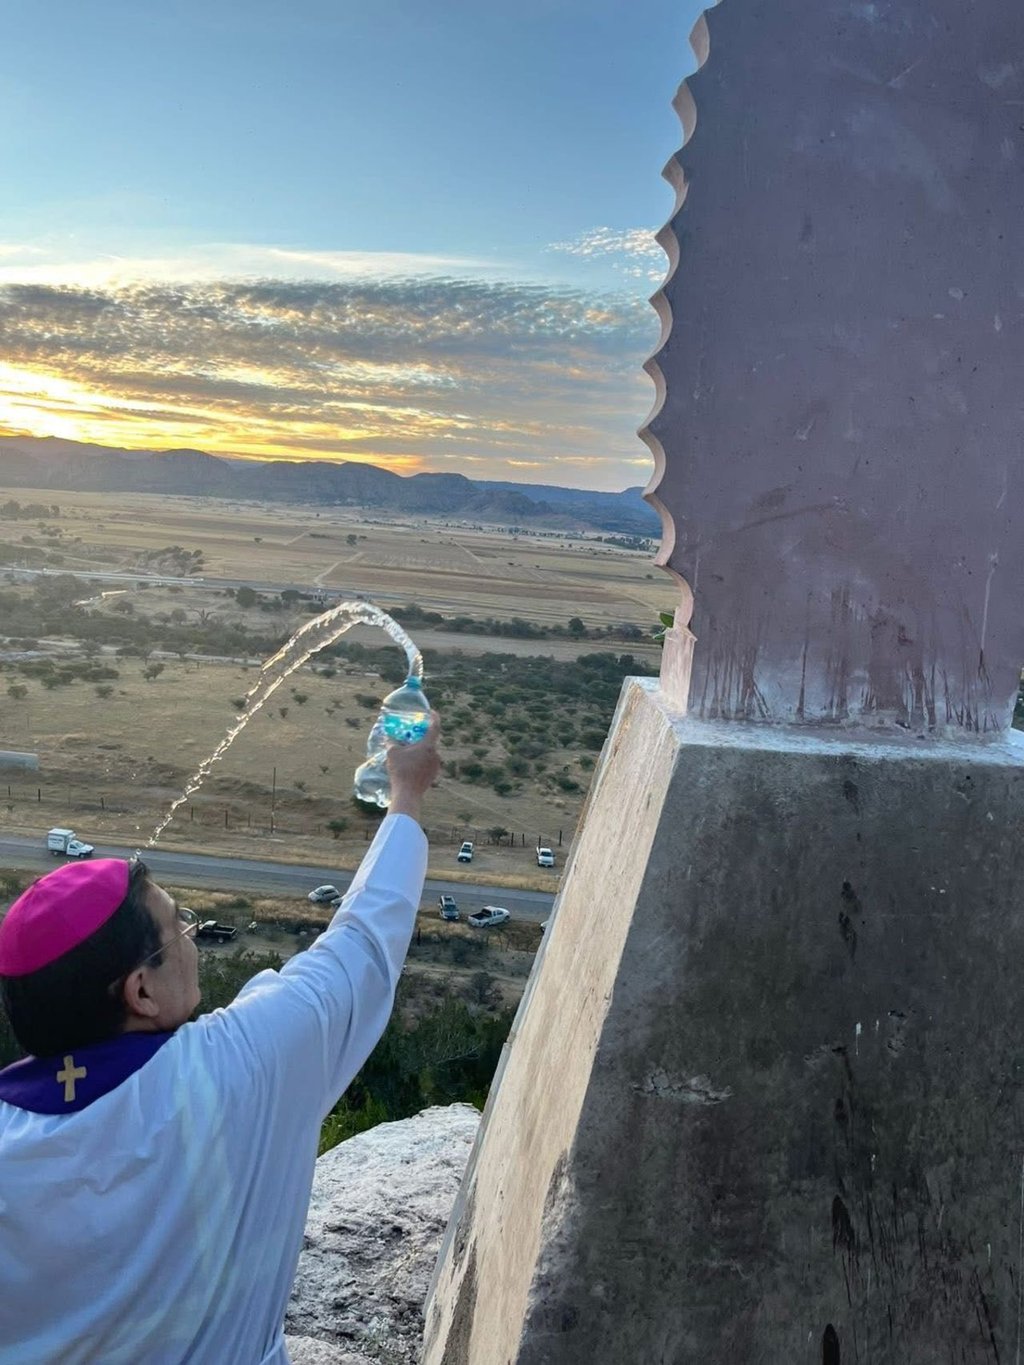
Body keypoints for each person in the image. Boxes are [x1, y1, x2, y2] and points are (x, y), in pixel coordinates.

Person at [0, 718, 440, 1365]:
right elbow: (364, 944)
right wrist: (406, 793)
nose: (189, 932)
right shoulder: (237, 1067)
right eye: (177, 922)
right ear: (140, 992)